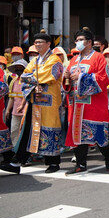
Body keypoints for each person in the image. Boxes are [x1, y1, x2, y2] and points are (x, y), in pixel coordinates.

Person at [1, 30, 64, 174]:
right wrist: (34, 84)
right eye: (36, 42)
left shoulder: (54, 60)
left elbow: (49, 75)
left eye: (41, 42)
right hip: (34, 100)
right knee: (29, 129)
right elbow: (25, 75)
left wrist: (33, 81)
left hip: (49, 100)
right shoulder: (34, 60)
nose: (38, 44)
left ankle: (53, 162)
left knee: (49, 129)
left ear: (48, 44)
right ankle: (18, 161)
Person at [63, 27, 109, 175]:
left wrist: (81, 77)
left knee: (99, 136)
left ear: (89, 42)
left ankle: (107, 155)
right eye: (76, 40)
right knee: (78, 135)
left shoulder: (98, 57)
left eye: (81, 40)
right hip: (77, 104)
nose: (78, 43)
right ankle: (81, 164)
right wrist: (66, 76)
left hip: (93, 104)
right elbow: (68, 82)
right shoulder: (74, 59)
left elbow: (103, 79)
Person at [5, 59, 28, 147]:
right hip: (15, 111)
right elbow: (12, 97)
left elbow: (27, 95)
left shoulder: (27, 81)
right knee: (14, 131)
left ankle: (24, 151)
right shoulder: (13, 81)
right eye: (17, 68)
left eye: (20, 68)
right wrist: (8, 110)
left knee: (24, 132)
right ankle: (15, 149)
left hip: (25, 110)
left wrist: (22, 105)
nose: (18, 69)